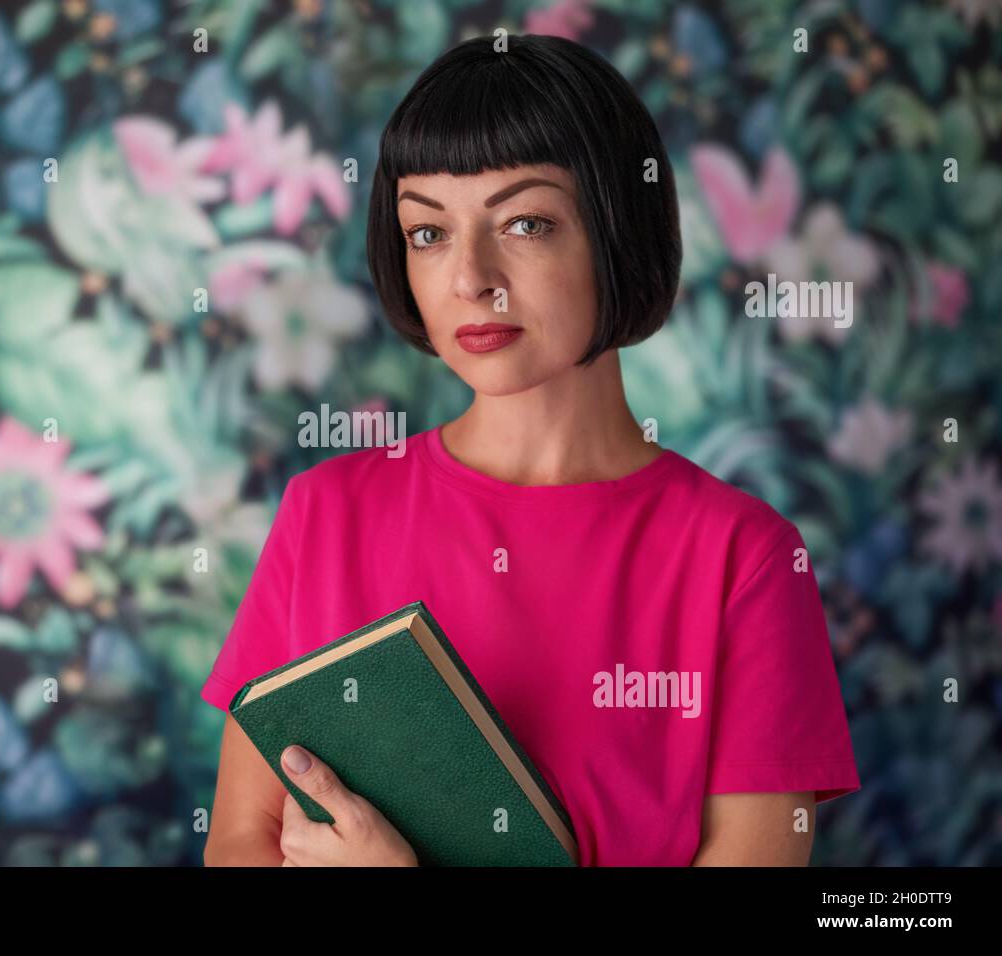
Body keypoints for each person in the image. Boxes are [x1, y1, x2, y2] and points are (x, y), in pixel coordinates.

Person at [200, 33, 860, 866]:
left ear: (620, 228)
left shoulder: (747, 558)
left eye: (525, 221)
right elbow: (236, 846)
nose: (471, 277)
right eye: (428, 233)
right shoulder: (324, 512)